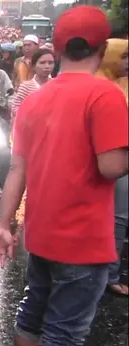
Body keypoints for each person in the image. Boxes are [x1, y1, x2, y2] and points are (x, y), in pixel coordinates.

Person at [0, 7, 128, 346]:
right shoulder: (105, 97)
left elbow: (16, 168)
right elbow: (110, 167)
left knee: (32, 313)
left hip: (41, 235)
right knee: (63, 335)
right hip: (83, 240)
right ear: (103, 49)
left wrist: (2, 225)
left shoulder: (34, 97)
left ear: (60, 47)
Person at [95, 37, 129, 296]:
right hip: (114, 161)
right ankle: (110, 274)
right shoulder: (102, 89)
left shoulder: (119, 85)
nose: (127, 62)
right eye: (124, 56)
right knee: (118, 218)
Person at [10, 48, 55, 120]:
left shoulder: (57, 85)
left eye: (50, 63)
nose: (47, 66)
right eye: (42, 63)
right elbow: (15, 109)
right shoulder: (25, 87)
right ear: (34, 65)